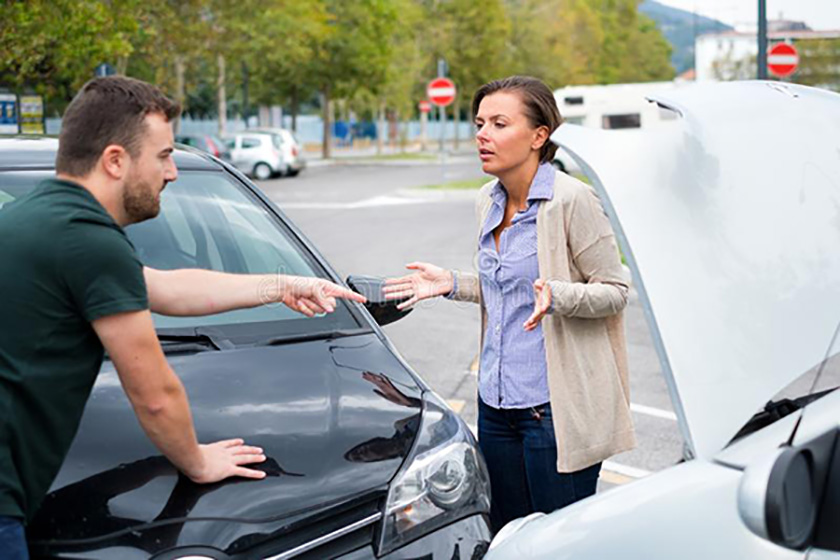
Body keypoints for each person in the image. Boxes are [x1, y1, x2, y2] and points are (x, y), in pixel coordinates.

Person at [0, 76, 366, 558]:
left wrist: (281, 286)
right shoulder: (89, 242)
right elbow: (154, 394)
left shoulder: (35, 218)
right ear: (115, 160)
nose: (171, 172)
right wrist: (196, 461)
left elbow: (162, 288)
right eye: (164, 155)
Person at [383, 76, 635, 533]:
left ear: (540, 136)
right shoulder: (488, 199)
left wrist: (560, 295)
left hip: (553, 412)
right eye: (479, 123)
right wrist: (451, 283)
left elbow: (616, 290)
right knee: (505, 535)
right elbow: (509, 285)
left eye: (499, 123)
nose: (482, 134)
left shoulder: (571, 200)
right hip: (496, 407)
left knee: (558, 540)